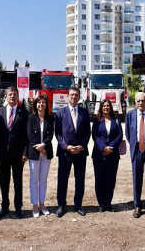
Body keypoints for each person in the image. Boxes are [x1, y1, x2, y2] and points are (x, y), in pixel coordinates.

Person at [55, 86, 91, 217]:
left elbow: (88, 132)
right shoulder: (60, 112)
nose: (74, 97)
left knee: (80, 179)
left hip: (80, 152)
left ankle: (78, 204)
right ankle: (61, 205)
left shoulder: (84, 112)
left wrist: (82, 146)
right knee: (62, 179)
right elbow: (58, 133)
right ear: (67, 97)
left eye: (76, 95)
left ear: (79, 97)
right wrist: (65, 146)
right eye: (71, 95)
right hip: (65, 152)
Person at [0, 86, 29, 218]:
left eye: (14, 94)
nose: (12, 96)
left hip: (18, 153)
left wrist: (25, 152)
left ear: (18, 96)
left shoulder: (24, 113)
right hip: (3, 153)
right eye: (10, 94)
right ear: (6, 96)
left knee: (18, 180)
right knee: (4, 181)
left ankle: (18, 207)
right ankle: (4, 206)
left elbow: (27, 135)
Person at [92, 99, 123, 212]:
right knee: (99, 179)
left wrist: (111, 147)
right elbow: (95, 135)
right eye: (104, 106)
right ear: (101, 107)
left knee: (111, 179)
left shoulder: (117, 120)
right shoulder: (96, 120)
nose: (106, 108)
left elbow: (120, 135)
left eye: (108, 106)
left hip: (113, 154)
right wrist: (103, 148)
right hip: (99, 154)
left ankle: (108, 203)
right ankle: (101, 204)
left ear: (110, 107)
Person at [26, 95, 54, 217]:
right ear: (35, 105)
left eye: (43, 102)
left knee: (43, 180)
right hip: (34, 152)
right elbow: (30, 134)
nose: (41, 104)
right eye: (39, 102)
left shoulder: (50, 118)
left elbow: (51, 134)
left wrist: (44, 146)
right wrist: (38, 147)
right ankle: (35, 205)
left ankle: (42, 203)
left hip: (46, 152)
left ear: (46, 105)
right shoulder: (31, 117)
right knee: (34, 180)